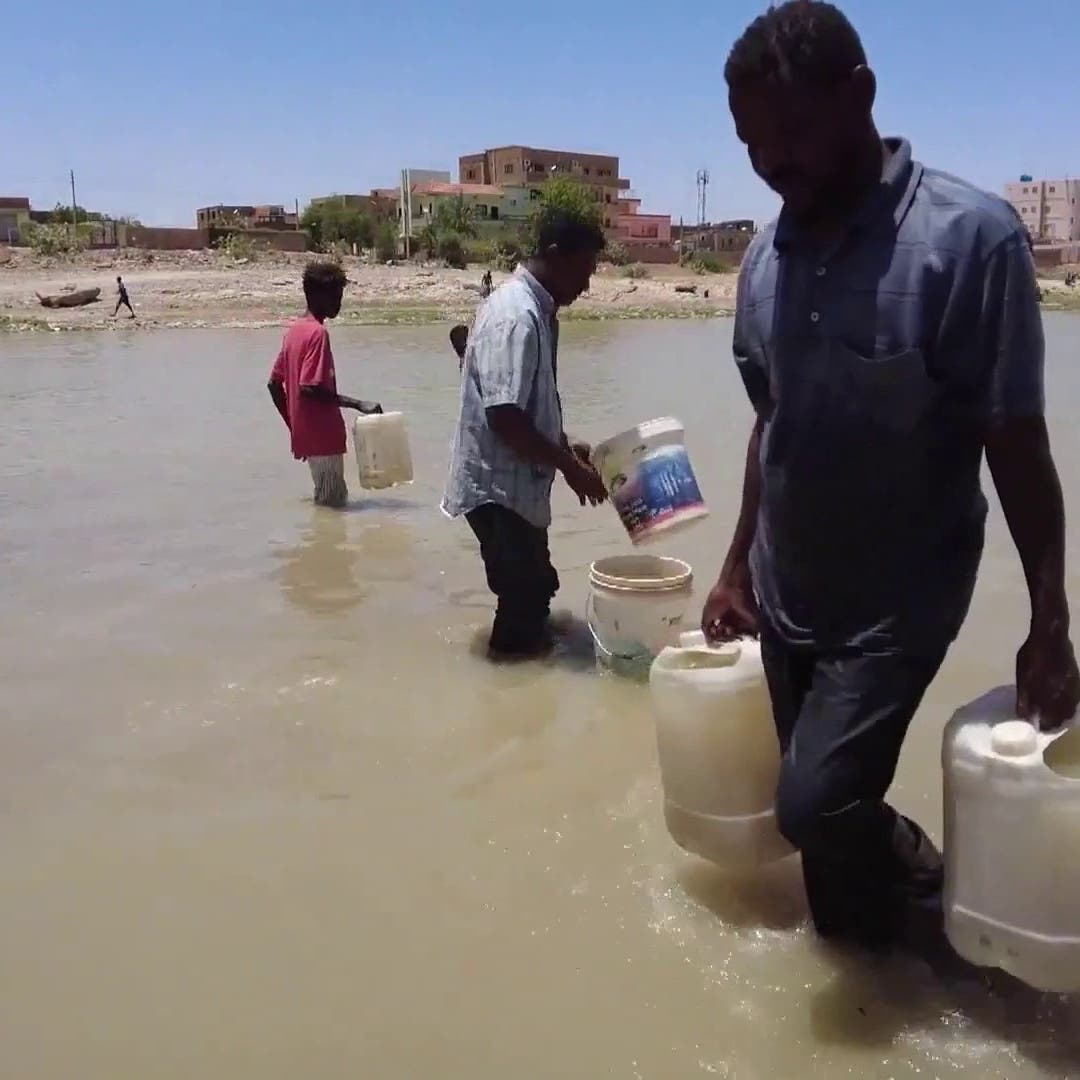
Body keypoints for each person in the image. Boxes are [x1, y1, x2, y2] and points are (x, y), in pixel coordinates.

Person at [703, 0, 1080, 956]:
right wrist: (736, 565)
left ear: (859, 96)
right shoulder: (764, 256)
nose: (769, 159)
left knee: (812, 803)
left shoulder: (972, 242)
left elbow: (1018, 445)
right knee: (827, 860)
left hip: (898, 603)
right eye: (750, 140)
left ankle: (924, 876)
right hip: (788, 591)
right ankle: (888, 972)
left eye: (789, 130)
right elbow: (769, 421)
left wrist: (1048, 620)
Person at [442, 212, 609, 659]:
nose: (586, 286)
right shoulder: (516, 315)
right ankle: (508, 690)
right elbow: (506, 417)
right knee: (523, 599)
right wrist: (569, 467)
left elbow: (522, 404)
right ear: (555, 257)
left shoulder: (536, 311)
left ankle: (522, 692)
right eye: (583, 270)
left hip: (516, 484)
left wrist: (563, 442)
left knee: (536, 587)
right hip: (498, 490)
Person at [267, 261, 382, 509]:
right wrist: (358, 403)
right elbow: (310, 387)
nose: (339, 303)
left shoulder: (295, 330)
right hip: (323, 438)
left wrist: (294, 424)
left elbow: (274, 384)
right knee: (333, 506)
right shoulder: (317, 334)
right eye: (335, 296)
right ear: (318, 295)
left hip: (308, 438)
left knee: (324, 506)